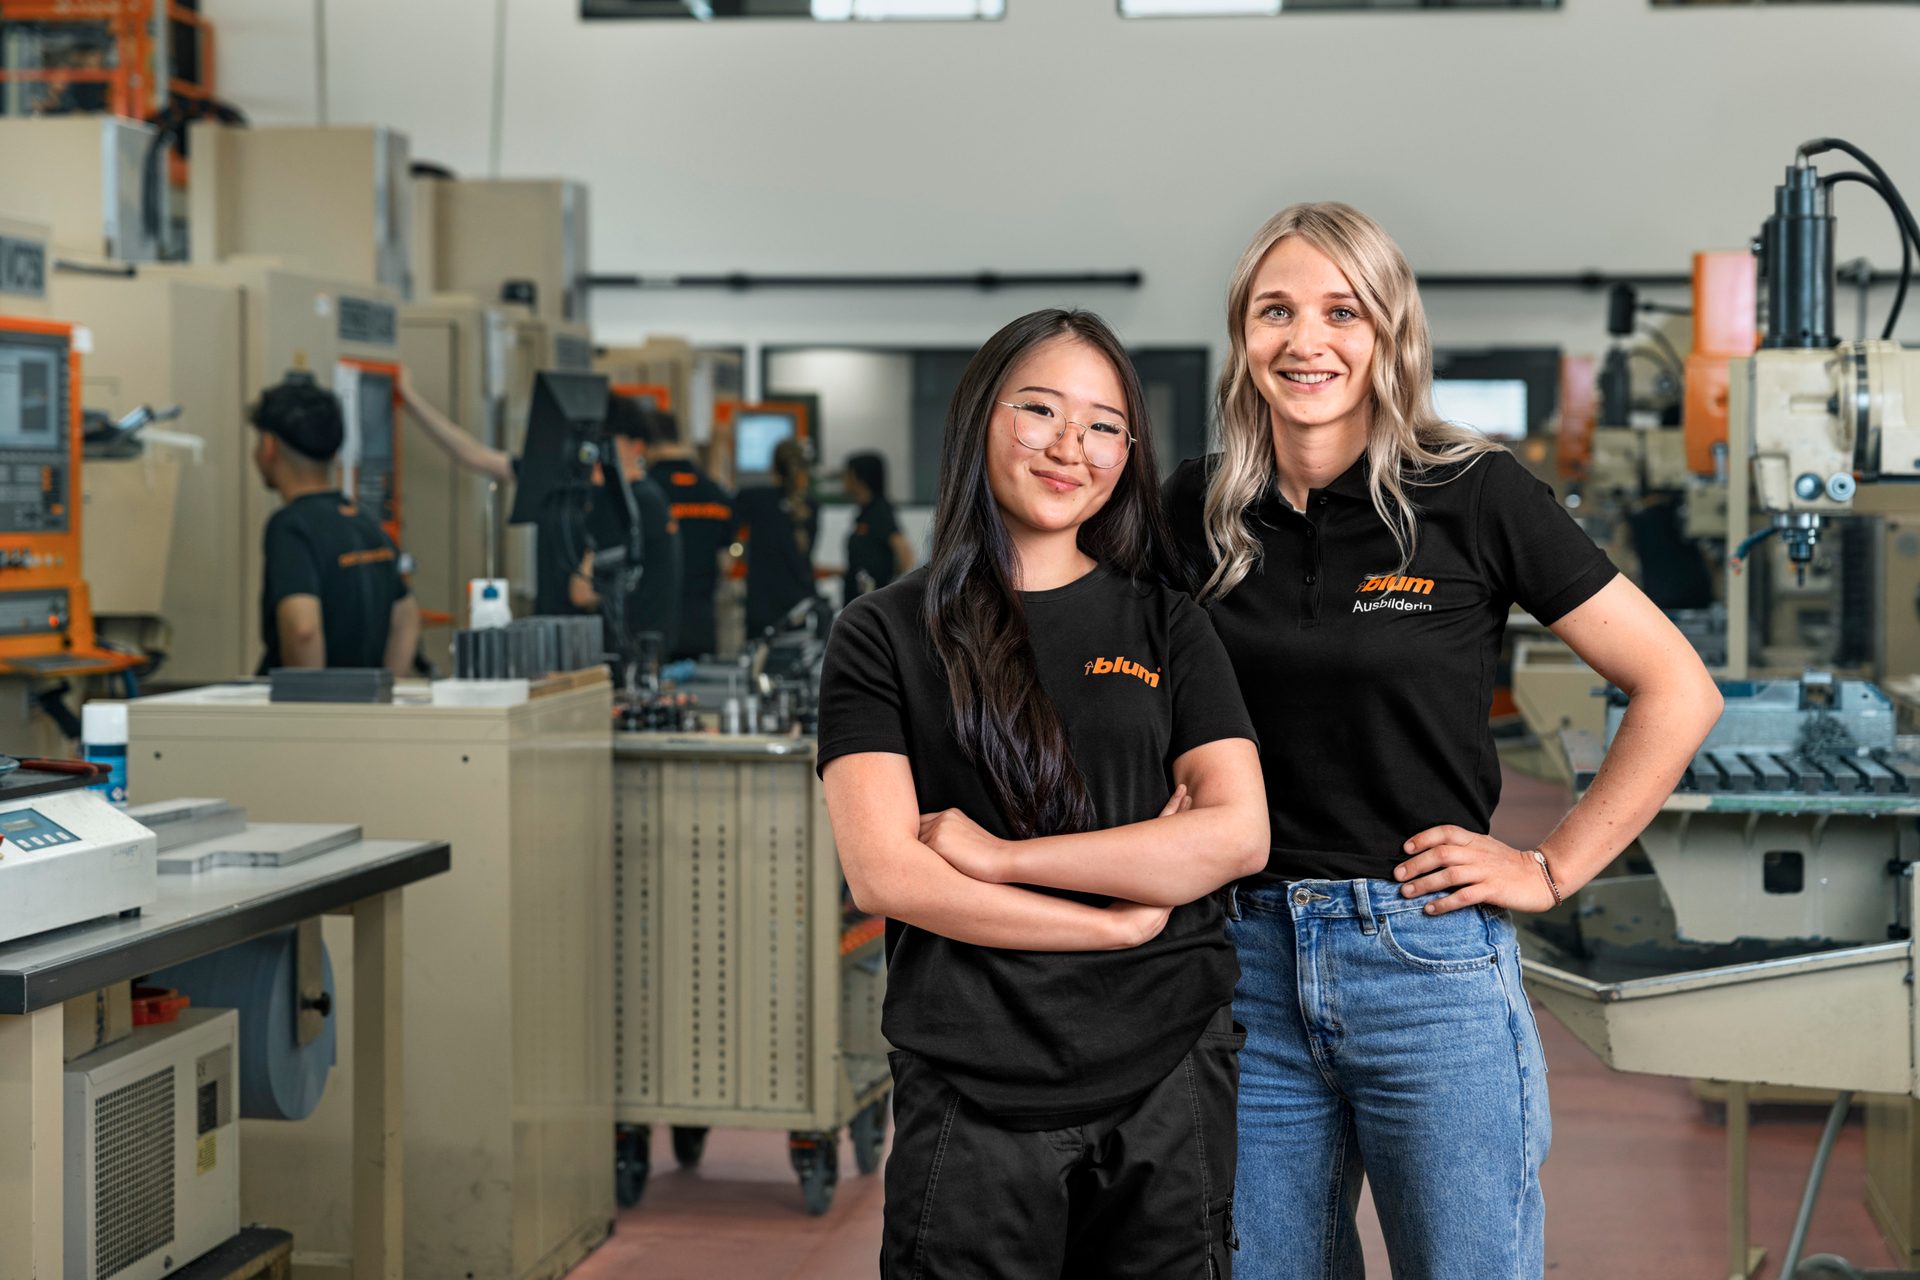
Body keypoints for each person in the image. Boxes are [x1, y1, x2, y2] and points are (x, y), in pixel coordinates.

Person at [1162, 202, 1723, 1279]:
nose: (1305, 339)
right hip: (1243, 962)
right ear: (1243, 335)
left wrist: (1553, 863)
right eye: (1275, 310)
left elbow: (1676, 687)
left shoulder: (1474, 493)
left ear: (1389, 332)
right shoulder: (1199, 510)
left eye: (1341, 310)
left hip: (1424, 958)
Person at [819, 309, 1268, 1278]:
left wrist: (1002, 858)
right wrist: (1112, 921)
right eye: (1041, 410)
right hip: (974, 1079)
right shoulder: (884, 634)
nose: (1074, 446)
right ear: (982, 417)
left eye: (1106, 424)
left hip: (1168, 1070)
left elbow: (1238, 833)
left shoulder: (1168, 624)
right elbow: (885, 870)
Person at [398, 375, 682, 656]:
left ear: (637, 446)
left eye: (604, 442)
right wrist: (409, 398)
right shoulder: (576, 485)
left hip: (604, 656)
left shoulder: (633, 500)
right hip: (566, 649)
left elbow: (582, 592)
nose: (593, 452)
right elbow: (475, 457)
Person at [251, 373, 419, 676]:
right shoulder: (363, 520)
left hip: (308, 716)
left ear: (268, 446)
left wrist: (311, 709)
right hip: (360, 714)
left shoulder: (291, 527)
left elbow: (303, 629)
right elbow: (406, 618)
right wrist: (385, 696)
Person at [645, 408, 734, 659]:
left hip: (654, 629)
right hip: (703, 627)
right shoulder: (714, 493)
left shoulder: (646, 492)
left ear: (644, 444)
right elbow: (727, 561)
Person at [734, 438, 819, 636]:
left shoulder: (753, 498)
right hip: (799, 605)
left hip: (761, 605)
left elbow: (730, 532)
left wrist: (738, 551)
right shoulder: (811, 507)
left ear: (773, 468)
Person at [840, 450, 914, 605]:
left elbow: (905, 553)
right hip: (859, 604)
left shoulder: (879, 511)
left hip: (872, 606)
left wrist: (889, 590)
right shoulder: (864, 513)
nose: (843, 480)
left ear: (859, 477)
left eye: (846, 475)